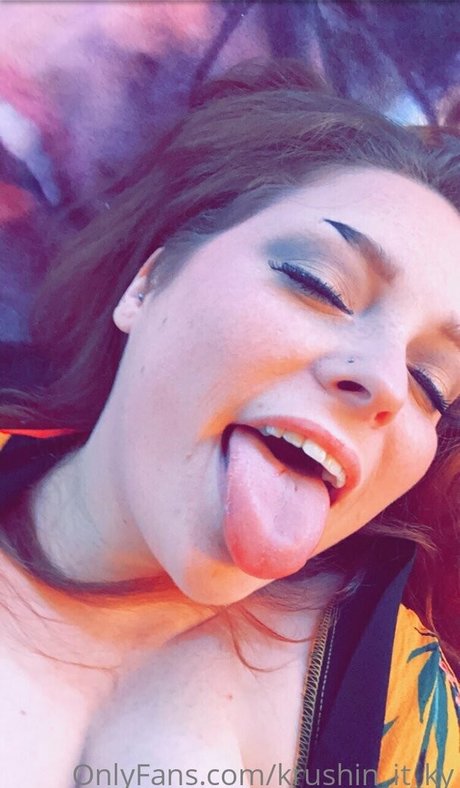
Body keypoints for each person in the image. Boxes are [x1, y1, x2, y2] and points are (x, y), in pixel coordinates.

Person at [0, 60, 459, 788]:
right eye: (320, 284)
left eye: (431, 383)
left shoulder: (407, 707)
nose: (384, 383)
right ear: (147, 282)